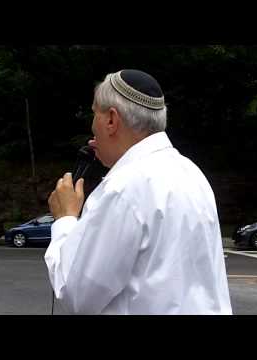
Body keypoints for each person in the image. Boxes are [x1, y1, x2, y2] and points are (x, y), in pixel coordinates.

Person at [44, 69, 232, 315]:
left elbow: (77, 295)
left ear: (111, 120)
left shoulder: (122, 188)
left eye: (94, 114)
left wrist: (65, 219)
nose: (92, 126)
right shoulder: (190, 172)